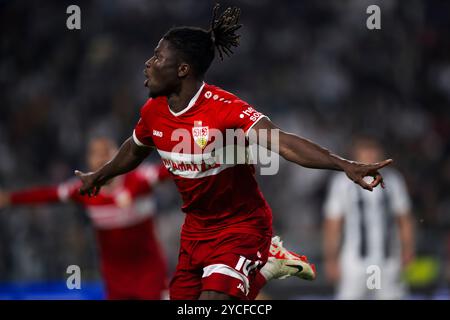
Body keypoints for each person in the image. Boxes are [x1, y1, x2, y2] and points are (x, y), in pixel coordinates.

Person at [74, 5, 392, 300]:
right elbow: (135, 148)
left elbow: (282, 142)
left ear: (182, 69)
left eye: (157, 57)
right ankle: (272, 264)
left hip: (241, 225)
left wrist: (344, 164)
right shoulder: (153, 111)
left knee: (215, 301)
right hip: (195, 231)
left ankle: (264, 265)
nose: (148, 63)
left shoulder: (225, 110)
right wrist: (99, 176)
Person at [0, 137, 170, 299]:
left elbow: (172, 168)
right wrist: (10, 198)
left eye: (106, 153)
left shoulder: (140, 180)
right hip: (116, 280)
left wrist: (195, 155)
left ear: (120, 156)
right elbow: (49, 194)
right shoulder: (84, 190)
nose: (101, 159)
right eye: (95, 154)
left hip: (149, 275)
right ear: (88, 160)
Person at [323, 137, 414, 299]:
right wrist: (331, 258)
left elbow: (404, 219)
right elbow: (333, 223)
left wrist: (408, 250)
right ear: (355, 154)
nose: (370, 155)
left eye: (373, 151)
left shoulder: (393, 180)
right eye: (365, 151)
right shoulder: (342, 182)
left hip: (389, 258)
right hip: (354, 261)